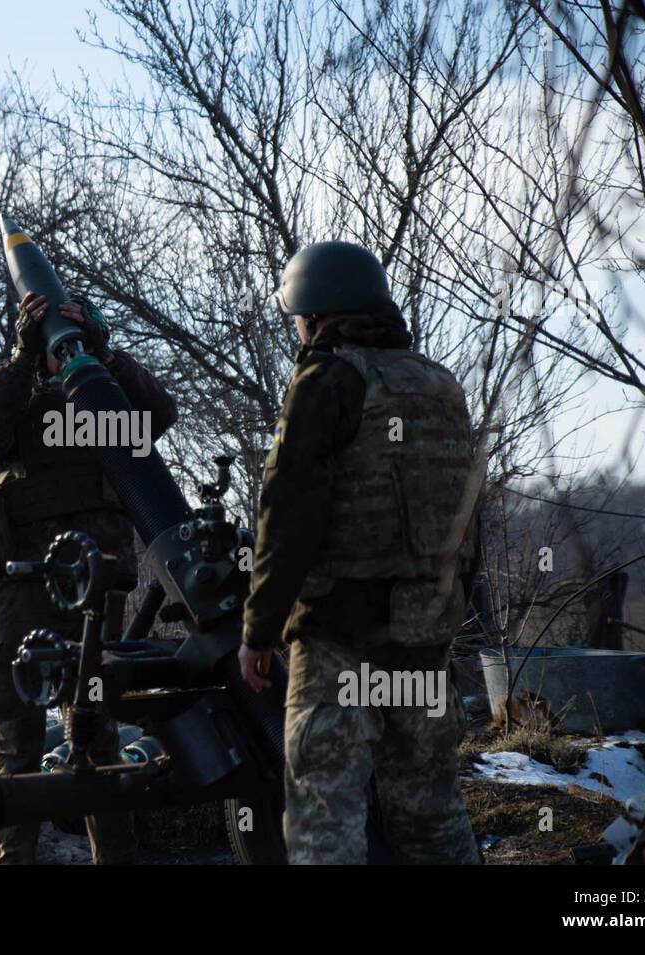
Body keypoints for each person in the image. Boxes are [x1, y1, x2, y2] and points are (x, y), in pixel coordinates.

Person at [237, 240, 481, 865]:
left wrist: (259, 631)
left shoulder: (327, 381)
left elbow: (288, 516)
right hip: (424, 644)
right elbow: (465, 519)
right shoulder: (441, 386)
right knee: (433, 815)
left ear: (316, 313)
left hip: (339, 645)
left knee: (326, 820)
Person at [0, 290, 177, 864]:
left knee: (98, 738)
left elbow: (160, 414)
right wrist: (25, 354)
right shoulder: (15, 393)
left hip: (93, 591)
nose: (58, 346)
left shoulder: (103, 397)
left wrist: (102, 350)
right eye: (49, 333)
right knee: (16, 744)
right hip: (22, 589)